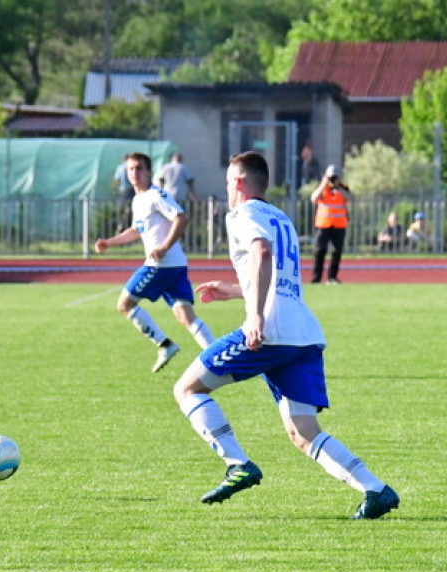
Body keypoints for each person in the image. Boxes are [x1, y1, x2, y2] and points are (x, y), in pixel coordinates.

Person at [171, 151, 400, 520]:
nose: (227, 188)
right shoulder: (281, 218)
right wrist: (233, 290)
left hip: (271, 331)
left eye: (230, 182)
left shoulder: (242, 214)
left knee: (186, 389)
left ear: (240, 183)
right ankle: (376, 490)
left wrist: (255, 316)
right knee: (302, 431)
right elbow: (278, 277)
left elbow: (261, 252)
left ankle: (237, 463)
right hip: (303, 334)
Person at [95, 152, 214, 373]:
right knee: (185, 316)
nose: (135, 173)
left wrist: (164, 247)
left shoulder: (156, 195)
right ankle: (217, 357)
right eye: (131, 169)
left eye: (139, 168)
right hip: (175, 265)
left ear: (149, 171)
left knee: (125, 304)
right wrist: (109, 243)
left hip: (160, 265)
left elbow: (181, 217)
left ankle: (164, 344)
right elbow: (135, 231)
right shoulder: (138, 199)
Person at [310, 164, 350, 284]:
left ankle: (332, 277)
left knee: (336, 251)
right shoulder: (322, 188)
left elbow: (349, 198)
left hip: (339, 225)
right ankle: (316, 278)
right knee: (319, 251)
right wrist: (323, 184)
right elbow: (313, 198)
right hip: (323, 225)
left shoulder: (344, 188)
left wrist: (338, 187)